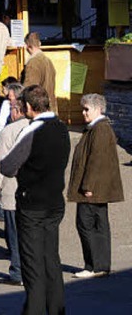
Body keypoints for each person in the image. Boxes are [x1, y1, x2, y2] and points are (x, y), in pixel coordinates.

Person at [0, 85, 70, 315]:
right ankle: (56, 308)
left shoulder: (32, 131)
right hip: (54, 201)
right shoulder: (62, 128)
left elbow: (8, 166)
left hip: (32, 203)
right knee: (51, 258)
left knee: (32, 263)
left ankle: (35, 310)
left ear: (29, 107)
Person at [67, 93, 124, 278]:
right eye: (83, 108)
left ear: (98, 109)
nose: (83, 113)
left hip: (92, 189)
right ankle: (100, 265)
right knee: (98, 225)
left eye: (86, 109)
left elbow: (97, 160)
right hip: (97, 188)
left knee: (87, 224)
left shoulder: (99, 129)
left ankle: (93, 266)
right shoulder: (97, 128)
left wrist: (88, 185)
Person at [0, 97, 29, 286]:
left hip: (12, 192)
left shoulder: (8, 132)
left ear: (17, 111)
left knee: (15, 236)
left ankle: (18, 273)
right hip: (33, 194)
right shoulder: (39, 129)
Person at [22, 32, 57, 112]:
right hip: (50, 108)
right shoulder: (48, 61)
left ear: (27, 46)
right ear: (39, 44)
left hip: (39, 110)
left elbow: (29, 89)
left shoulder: (33, 62)